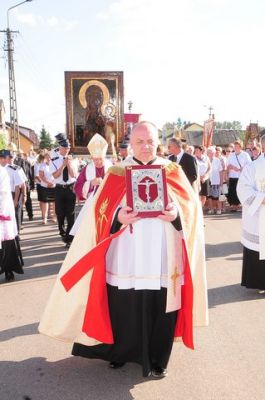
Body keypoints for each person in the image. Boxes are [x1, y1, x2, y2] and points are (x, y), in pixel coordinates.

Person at [39, 121, 208, 378]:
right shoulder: (117, 172)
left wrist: (176, 214)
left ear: (158, 143)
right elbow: (99, 211)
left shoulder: (172, 170)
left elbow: (191, 208)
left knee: (161, 305)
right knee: (123, 305)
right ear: (131, 144)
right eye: (140, 141)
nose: (145, 146)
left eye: (150, 141)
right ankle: (120, 352)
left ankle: (157, 357)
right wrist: (118, 216)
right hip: (125, 255)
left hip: (163, 256)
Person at [237, 134, 265, 292]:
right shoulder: (253, 167)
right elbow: (242, 189)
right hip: (259, 216)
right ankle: (260, 281)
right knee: (260, 248)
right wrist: (262, 198)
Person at [50, 138, 78, 248]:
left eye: (68, 148)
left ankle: (69, 238)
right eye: (64, 148)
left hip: (71, 188)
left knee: (70, 214)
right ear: (60, 148)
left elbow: (74, 175)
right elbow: (55, 175)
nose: (66, 150)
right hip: (59, 188)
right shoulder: (54, 160)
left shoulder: (73, 160)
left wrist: (69, 164)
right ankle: (62, 231)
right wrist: (63, 165)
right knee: (60, 213)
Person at [0, 153, 24, 282]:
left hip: (3, 211)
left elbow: (3, 192)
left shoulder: (3, 172)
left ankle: (8, 270)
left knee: (7, 242)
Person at [74, 134, 113, 201]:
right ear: (92, 158)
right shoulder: (87, 169)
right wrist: (91, 183)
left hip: (109, 200)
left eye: (100, 159)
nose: (98, 162)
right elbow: (77, 187)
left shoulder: (111, 167)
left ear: (104, 157)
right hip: (92, 202)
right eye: (95, 159)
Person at [227, 141, 251, 212]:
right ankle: (234, 206)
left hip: (241, 177)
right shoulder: (231, 155)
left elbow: (249, 165)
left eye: (237, 146)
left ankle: (241, 205)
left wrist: (242, 168)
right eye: (235, 146)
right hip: (233, 176)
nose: (236, 148)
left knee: (241, 191)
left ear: (241, 147)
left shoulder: (245, 155)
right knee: (233, 191)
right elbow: (227, 165)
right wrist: (232, 167)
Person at [38, 153, 56, 224]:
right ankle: (44, 218)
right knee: (45, 202)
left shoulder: (55, 165)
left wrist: (53, 183)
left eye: (50, 157)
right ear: (45, 158)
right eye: (47, 157)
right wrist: (47, 183)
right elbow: (41, 176)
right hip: (45, 186)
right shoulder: (42, 166)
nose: (49, 159)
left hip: (54, 185)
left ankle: (54, 216)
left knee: (54, 202)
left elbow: (58, 175)